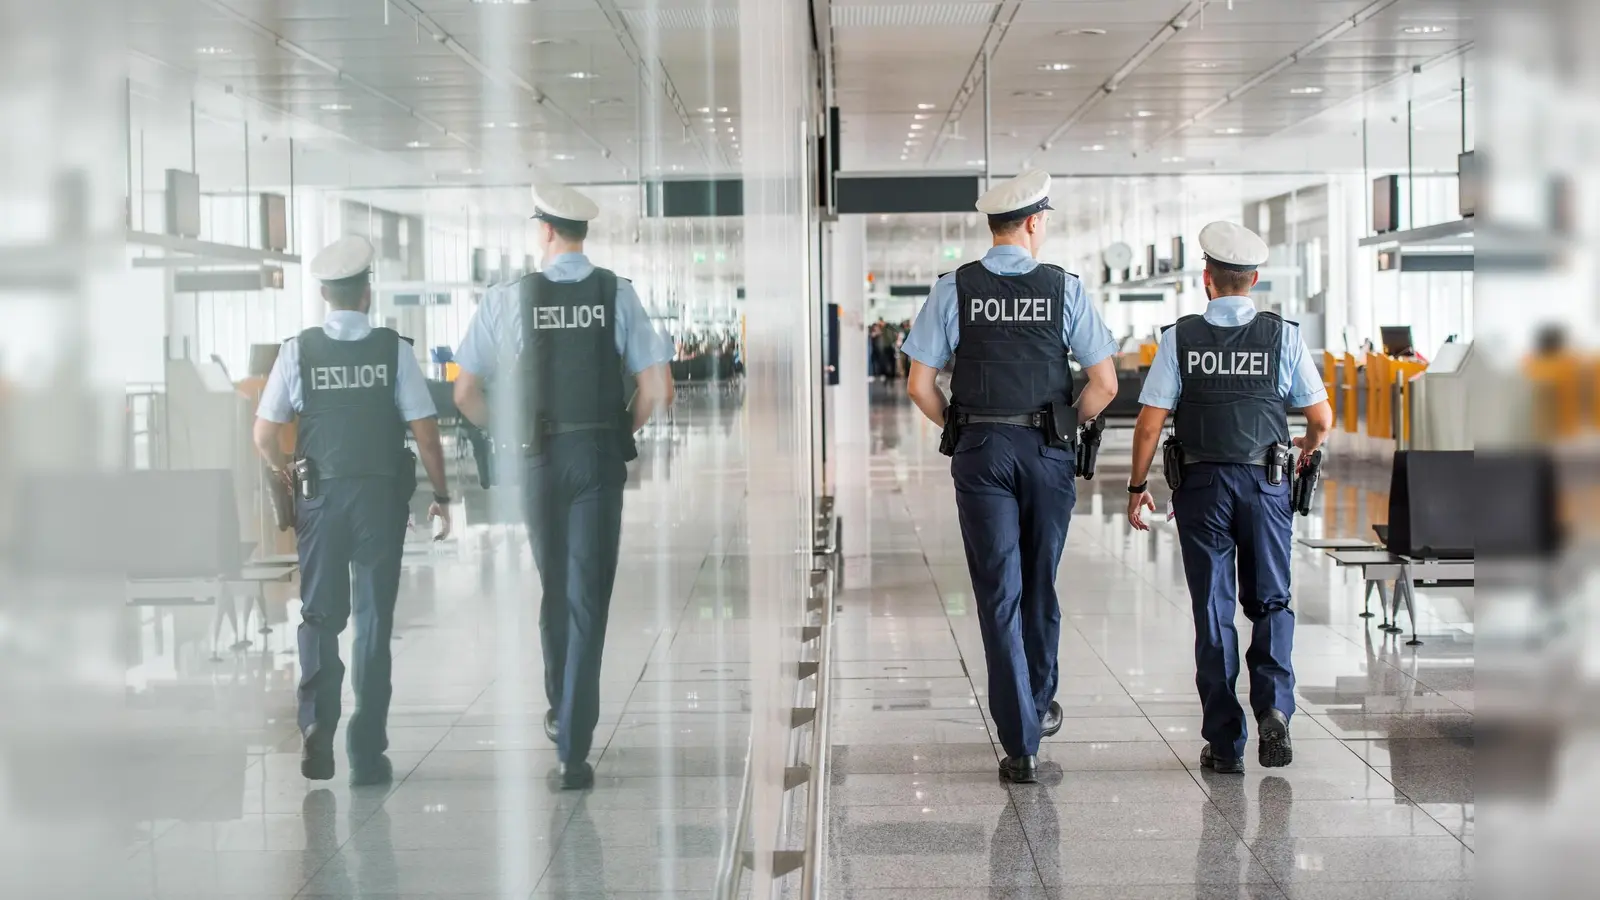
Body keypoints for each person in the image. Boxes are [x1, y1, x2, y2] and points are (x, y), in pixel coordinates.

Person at [453, 181, 675, 790]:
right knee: (587, 595)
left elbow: (465, 392)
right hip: (597, 453)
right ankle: (573, 742)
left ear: (544, 231)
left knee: (554, 585)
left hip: (538, 458)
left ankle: (560, 710)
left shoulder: (509, 299)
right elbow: (659, 389)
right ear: (581, 232)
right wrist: (615, 430)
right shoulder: (617, 295)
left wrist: (508, 431)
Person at [903, 169, 1120, 784]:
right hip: (1047, 451)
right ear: (1032, 223)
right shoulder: (1064, 290)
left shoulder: (954, 288)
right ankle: (1040, 698)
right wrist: (1064, 425)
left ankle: (1019, 739)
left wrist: (960, 427)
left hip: (980, 451)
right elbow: (1104, 383)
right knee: (1039, 581)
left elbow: (920, 384)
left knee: (999, 589)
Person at [1125, 221, 1334, 775]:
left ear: (1207, 279)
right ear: (1255, 280)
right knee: (1271, 599)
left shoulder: (1180, 337)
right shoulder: (1283, 336)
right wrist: (1305, 449)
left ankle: (1224, 742)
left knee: (1213, 610)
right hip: (1266, 485)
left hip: (1201, 488)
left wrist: (1136, 486)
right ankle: (1274, 712)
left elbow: (1149, 425)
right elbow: (1320, 418)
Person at [252, 235, 453, 786]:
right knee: (372, 619)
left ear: (323, 294)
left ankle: (318, 726)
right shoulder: (394, 350)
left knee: (320, 615)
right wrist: (442, 494)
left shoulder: (299, 351)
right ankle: (368, 743)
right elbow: (426, 433)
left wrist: (287, 471)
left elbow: (264, 433)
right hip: (379, 500)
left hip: (320, 499)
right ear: (367, 293)